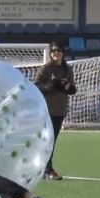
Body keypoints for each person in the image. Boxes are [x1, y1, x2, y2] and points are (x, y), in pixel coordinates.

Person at [34, 42, 77, 180]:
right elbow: (37, 86)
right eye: (53, 51)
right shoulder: (46, 68)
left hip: (60, 109)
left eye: (58, 50)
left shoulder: (67, 69)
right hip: (46, 108)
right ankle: (46, 169)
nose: (55, 53)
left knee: (52, 140)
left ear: (63, 53)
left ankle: (44, 168)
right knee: (46, 139)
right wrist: (51, 85)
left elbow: (72, 88)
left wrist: (68, 87)